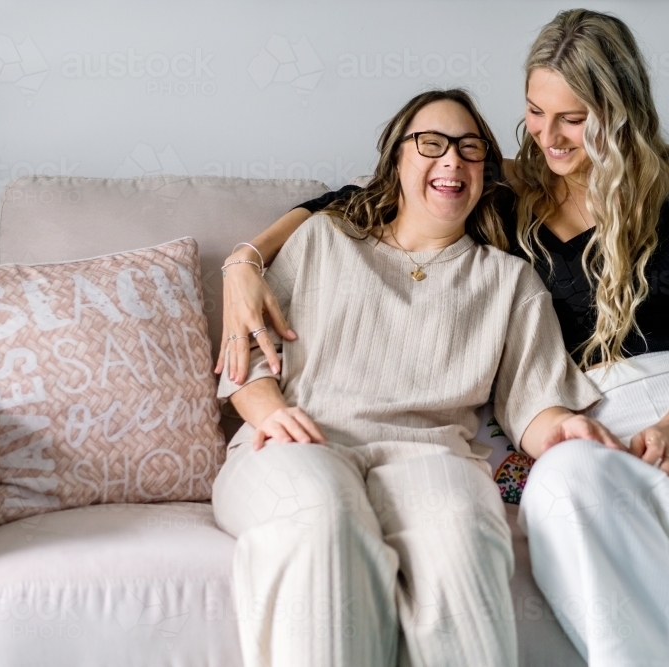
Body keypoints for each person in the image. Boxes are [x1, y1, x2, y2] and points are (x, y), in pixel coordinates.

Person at [216, 10, 669, 667]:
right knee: (571, 490)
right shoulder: (510, 190)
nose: (549, 137)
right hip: (596, 408)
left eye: (573, 119)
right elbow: (373, 196)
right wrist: (246, 260)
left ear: (618, 113)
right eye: (535, 112)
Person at [211, 88, 619, 667]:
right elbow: (246, 359)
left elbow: (536, 401)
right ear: (397, 160)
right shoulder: (324, 239)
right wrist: (270, 413)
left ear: (485, 172)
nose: (451, 160)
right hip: (300, 441)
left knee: (463, 539)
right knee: (322, 520)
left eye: (470, 148)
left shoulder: (509, 282)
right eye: (431, 144)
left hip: (433, 458)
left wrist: (563, 431)